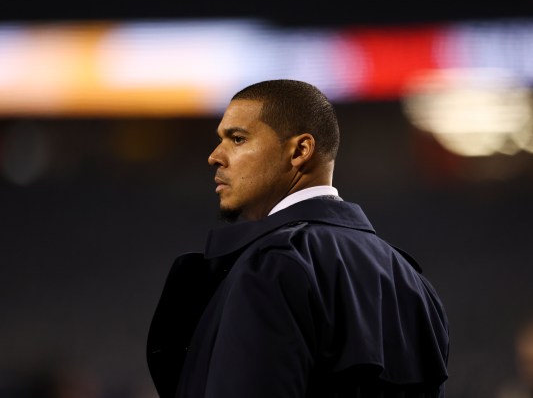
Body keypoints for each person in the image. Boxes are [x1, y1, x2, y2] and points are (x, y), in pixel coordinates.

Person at [146, 80, 449, 398]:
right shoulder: (412, 282)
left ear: (300, 151)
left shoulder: (274, 265)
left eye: (237, 139)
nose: (215, 156)